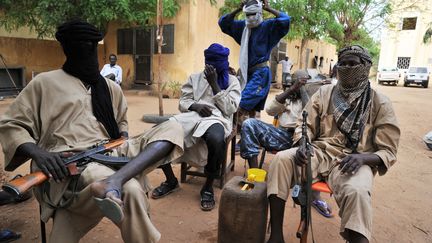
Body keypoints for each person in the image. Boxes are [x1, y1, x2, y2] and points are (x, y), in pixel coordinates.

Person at [0, 20, 184, 243]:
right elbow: (12, 125)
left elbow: (122, 127)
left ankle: (114, 181)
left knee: (174, 127)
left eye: (91, 47)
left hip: (112, 151)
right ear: (67, 50)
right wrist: (40, 154)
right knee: (133, 190)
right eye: (81, 48)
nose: (88, 53)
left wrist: (123, 139)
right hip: (70, 161)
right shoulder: (43, 84)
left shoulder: (110, 87)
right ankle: (114, 183)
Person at [266, 45, 400, 243]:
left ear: (365, 67)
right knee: (281, 159)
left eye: (352, 64)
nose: (346, 68)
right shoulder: (324, 93)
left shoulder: (380, 102)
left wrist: (363, 158)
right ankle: (276, 236)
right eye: (343, 63)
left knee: (358, 192)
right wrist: (303, 143)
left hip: (355, 161)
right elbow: (306, 125)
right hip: (319, 152)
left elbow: (388, 151)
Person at [151, 43, 241, 211]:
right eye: (209, 61)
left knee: (216, 139)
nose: (211, 66)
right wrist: (195, 106)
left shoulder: (232, 82)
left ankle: (207, 186)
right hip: (192, 116)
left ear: (224, 62)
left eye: (216, 62)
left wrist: (215, 85)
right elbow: (183, 101)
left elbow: (230, 109)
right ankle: (171, 180)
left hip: (217, 119)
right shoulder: (194, 78)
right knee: (162, 132)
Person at [240, 70, 332, 218]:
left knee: (313, 153)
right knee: (249, 124)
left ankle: (315, 197)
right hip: (284, 136)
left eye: (302, 83)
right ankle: (256, 177)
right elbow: (270, 110)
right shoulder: (288, 98)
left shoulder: (316, 98)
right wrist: (291, 90)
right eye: (295, 82)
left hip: (307, 140)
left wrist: (309, 91)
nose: (299, 86)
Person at [219, 0, 290, 119]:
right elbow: (224, 23)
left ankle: (237, 129)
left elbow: (285, 20)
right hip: (246, 73)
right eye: (248, 14)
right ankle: (249, 132)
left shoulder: (268, 26)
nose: (251, 18)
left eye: (254, 14)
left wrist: (268, 8)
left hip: (260, 74)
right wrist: (238, 9)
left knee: (240, 105)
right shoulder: (242, 27)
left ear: (260, 13)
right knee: (253, 111)